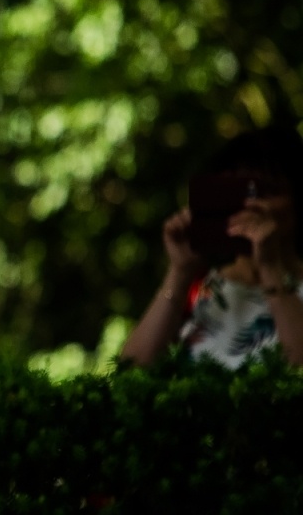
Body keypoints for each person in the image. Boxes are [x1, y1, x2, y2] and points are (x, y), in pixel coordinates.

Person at [121, 126, 303, 368]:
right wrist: (179, 272)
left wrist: (270, 267)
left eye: (267, 191)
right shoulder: (202, 290)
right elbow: (132, 371)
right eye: (239, 192)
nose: (250, 205)